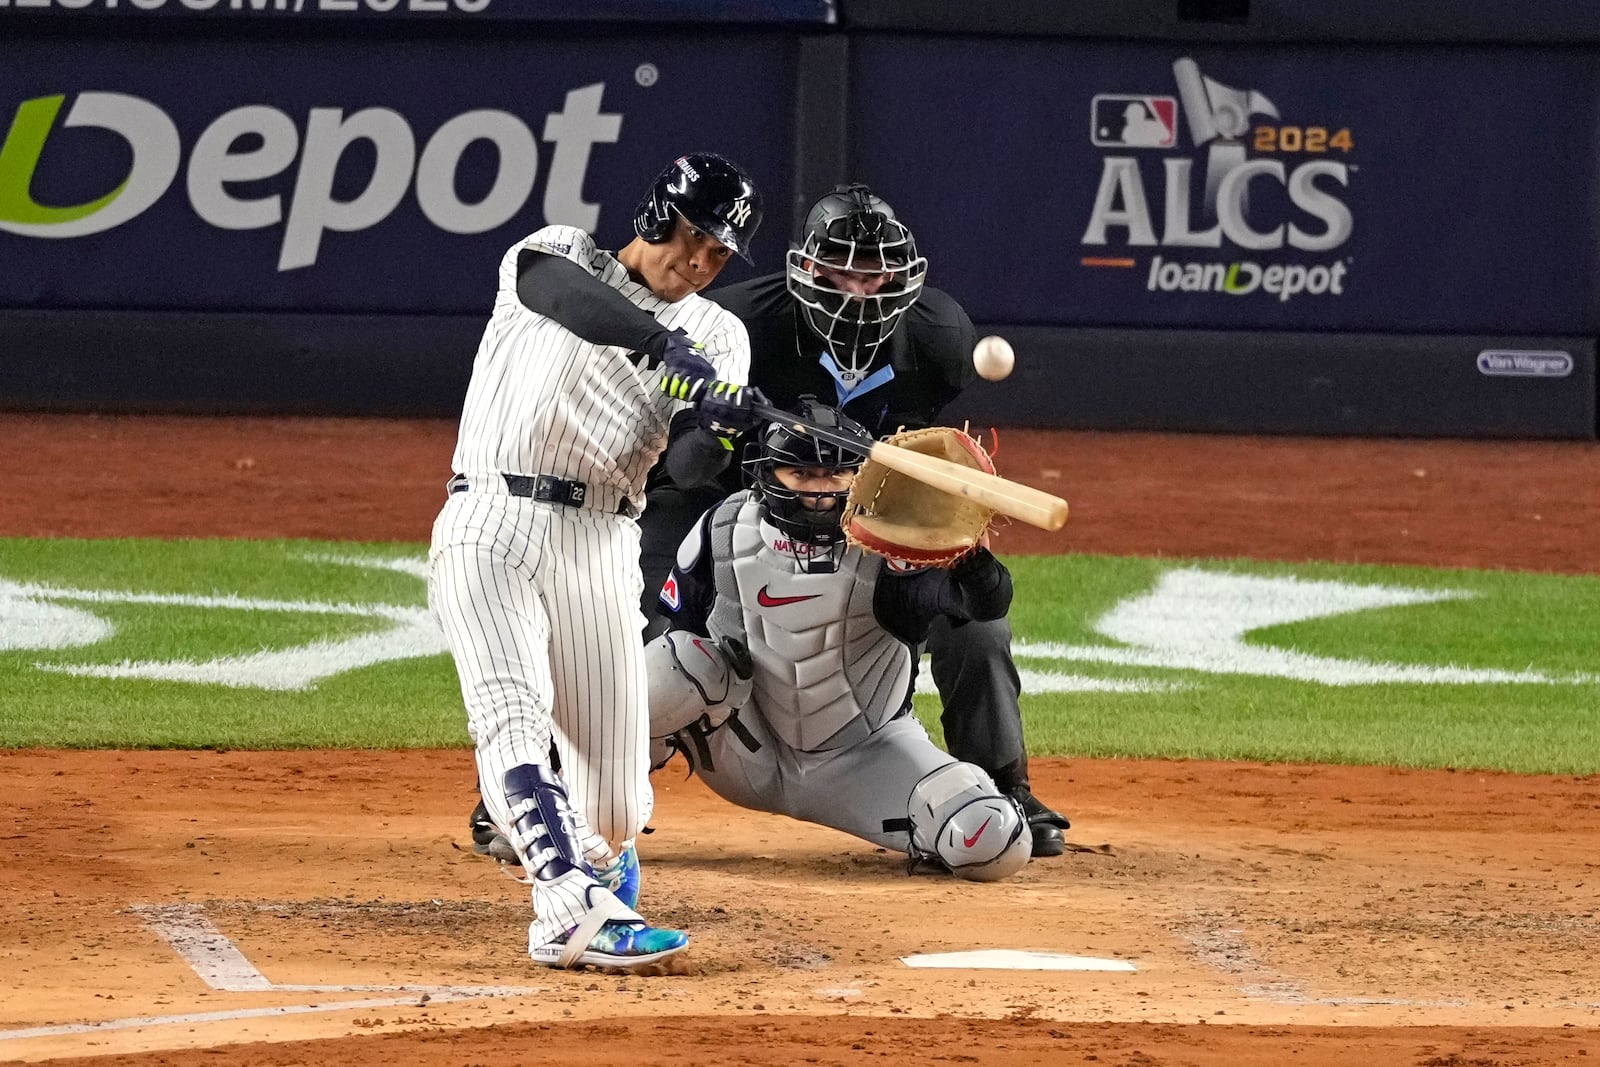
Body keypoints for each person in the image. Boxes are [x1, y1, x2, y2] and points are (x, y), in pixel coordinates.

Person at [637, 182, 1071, 857]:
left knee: (975, 622)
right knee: (657, 631)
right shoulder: (735, 325)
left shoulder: (939, 337)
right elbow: (684, 464)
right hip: (717, 499)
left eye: (876, 275)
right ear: (806, 269)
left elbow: (915, 461)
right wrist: (721, 430)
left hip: (855, 505)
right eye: (843, 270)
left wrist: (941, 534)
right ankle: (572, 787)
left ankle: (1000, 783)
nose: (860, 289)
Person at [431, 152, 766, 970]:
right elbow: (566, 298)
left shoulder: (722, 336)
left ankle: (591, 861)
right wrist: (660, 345)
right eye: (695, 239)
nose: (701, 263)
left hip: (601, 540)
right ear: (657, 216)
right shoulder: (555, 254)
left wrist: (719, 429)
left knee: (615, 808)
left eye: (719, 254)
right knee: (510, 712)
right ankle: (566, 912)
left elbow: (685, 469)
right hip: (490, 517)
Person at [643, 399, 1033, 881]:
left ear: (860, 478)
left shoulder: (889, 551)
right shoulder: (722, 529)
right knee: (678, 661)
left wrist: (971, 563)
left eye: (835, 476)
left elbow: (983, 607)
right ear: (766, 474)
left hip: (865, 760)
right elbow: (666, 632)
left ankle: (934, 818)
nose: (820, 492)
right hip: (744, 750)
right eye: (802, 474)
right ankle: (587, 799)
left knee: (991, 840)